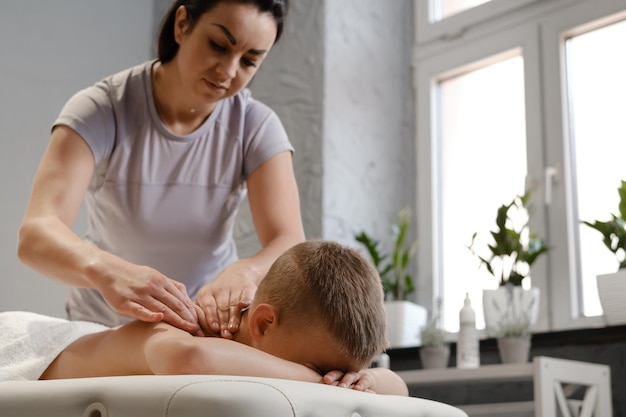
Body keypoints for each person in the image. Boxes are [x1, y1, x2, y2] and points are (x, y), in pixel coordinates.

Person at [17, 0, 305, 338]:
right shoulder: (102, 108)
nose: (228, 71)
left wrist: (247, 272)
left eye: (249, 61)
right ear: (182, 24)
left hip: (200, 330)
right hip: (101, 328)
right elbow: (37, 233)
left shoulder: (256, 125)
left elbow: (288, 242)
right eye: (218, 45)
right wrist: (106, 270)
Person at [1, 241, 408, 396]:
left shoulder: (303, 352)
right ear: (263, 323)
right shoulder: (181, 329)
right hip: (18, 347)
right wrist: (323, 384)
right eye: (318, 370)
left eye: (341, 376)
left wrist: (368, 380)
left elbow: (398, 390)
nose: (333, 383)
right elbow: (189, 362)